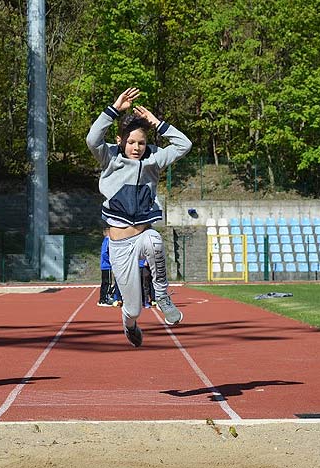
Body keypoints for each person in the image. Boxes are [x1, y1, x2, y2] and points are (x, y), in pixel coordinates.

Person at [86, 87, 192, 347]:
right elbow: (92, 139)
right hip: (120, 245)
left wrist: (158, 124)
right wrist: (113, 110)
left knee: (155, 240)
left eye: (141, 143)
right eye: (131, 142)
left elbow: (185, 145)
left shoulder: (155, 158)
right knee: (133, 308)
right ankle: (130, 324)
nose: (136, 148)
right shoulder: (109, 156)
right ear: (121, 140)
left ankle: (163, 296)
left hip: (143, 234)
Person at [98, 227, 122, 307]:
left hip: (105, 265)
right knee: (107, 283)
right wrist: (110, 261)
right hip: (106, 265)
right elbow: (105, 253)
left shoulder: (106, 241)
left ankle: (104, 298)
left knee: (106, 282)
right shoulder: (108, 240)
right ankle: (104, 299)